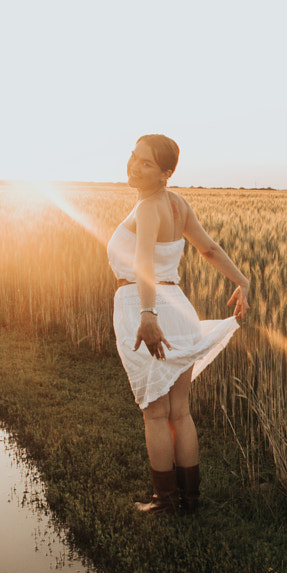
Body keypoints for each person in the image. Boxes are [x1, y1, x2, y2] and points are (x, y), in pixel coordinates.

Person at [107, 134, 250, 515]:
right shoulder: (178, 205)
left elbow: (143, 266)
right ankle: (190, 500)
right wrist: (242, 282)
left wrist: (148, 315)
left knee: (156, 413)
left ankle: (164, 501)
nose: (134, 166)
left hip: (149, 308)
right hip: (180, 310)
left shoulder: (148, 207)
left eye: (147, 163)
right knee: (180, 411)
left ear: (166, 173)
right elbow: (209, 249)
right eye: (134, 157)